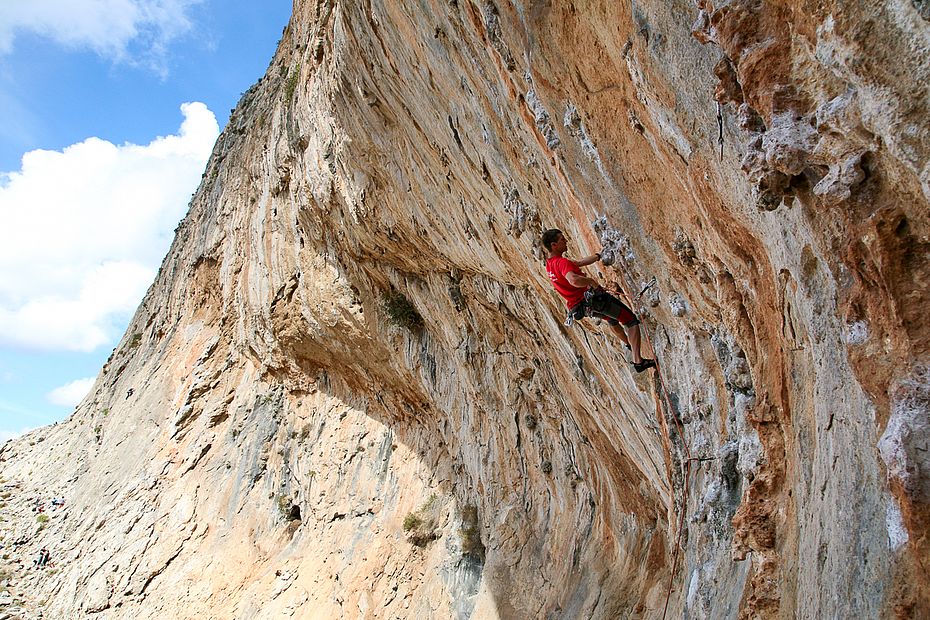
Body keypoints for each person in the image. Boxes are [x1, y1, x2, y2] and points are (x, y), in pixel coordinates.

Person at [542, 228, 656, 373]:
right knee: (631, 321)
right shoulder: (562, 263)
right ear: (554, 245)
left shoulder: (551, 264)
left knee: (612, 319)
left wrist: (599, 255)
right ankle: (638, 361)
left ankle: (629, 344)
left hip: (582, 307)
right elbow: (574, 280)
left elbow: (578, 263)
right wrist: (592, 282)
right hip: (594, 300)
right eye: (562, 240)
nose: (566, 241)